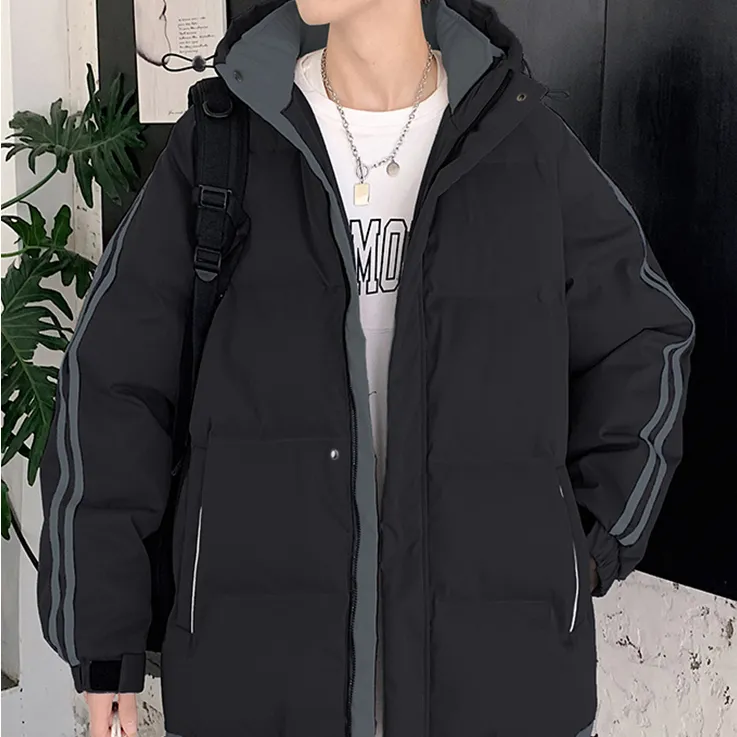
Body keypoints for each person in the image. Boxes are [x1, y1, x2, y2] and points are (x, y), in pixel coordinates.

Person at [37, 0, 695, 735]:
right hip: (258, 681)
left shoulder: (522, 142)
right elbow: (113, 382)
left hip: (500, 687)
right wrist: (104, 634)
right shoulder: (228, 140)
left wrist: (586, 548)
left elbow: (646, 338)